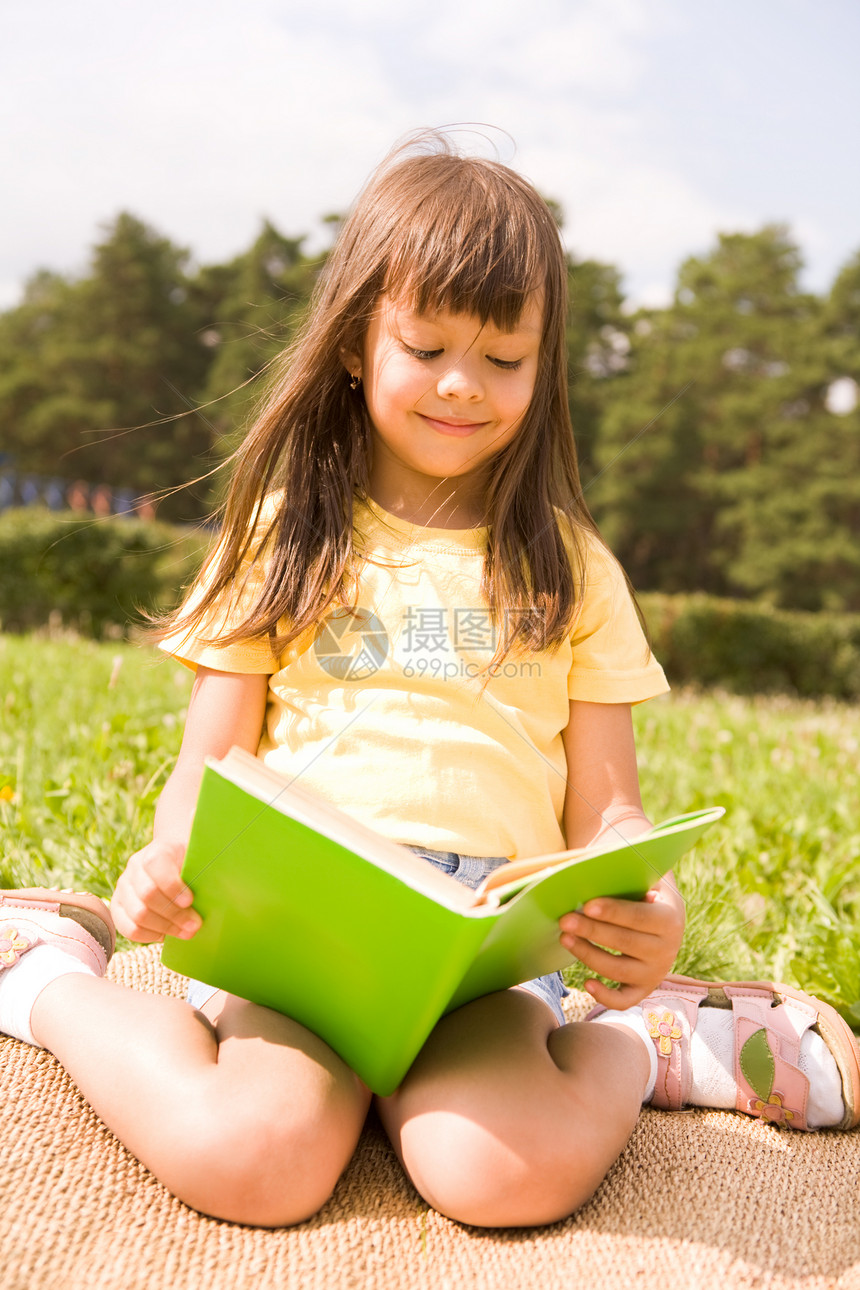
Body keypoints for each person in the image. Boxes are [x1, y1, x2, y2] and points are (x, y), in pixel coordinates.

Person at [0, 135, 857, 1230]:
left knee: (496, 1178)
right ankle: (45, 976)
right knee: (254, 1161)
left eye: (504, 359)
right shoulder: (286, 534)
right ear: (359, 341)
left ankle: (648, 1042)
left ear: (544, 364)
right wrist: (166, 861)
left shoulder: (572, 567)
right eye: (426, 345)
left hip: (483, 961)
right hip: (300, 937)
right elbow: (209, 767)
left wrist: (642, 909)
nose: (464, 384)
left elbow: (609, 811)